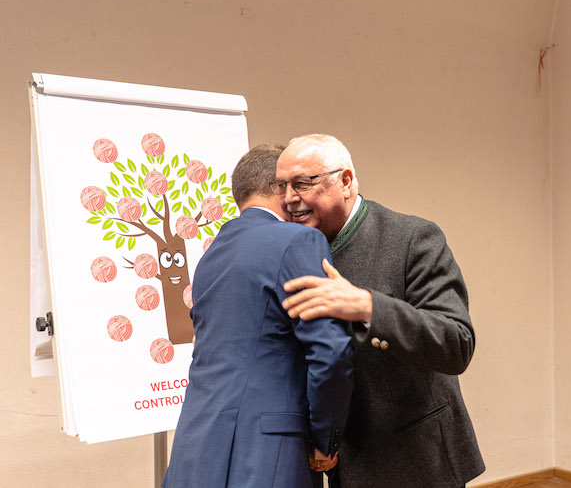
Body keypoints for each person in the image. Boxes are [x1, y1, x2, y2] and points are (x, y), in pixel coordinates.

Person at [274, 134, 485, 488]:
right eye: (282, 186)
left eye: (302, 183)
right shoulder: (293, 252)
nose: (289, 198)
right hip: (343, 465)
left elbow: (456, 343)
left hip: (419, 462)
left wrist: (366, 306)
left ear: (345, 181)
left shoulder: (413, 238)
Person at [162, 144, 354, 488]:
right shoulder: (300, 241)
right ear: (281, 188)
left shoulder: (211, 255)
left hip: (196, 451)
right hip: (266, 457)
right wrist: (325, 439)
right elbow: (330, 351)